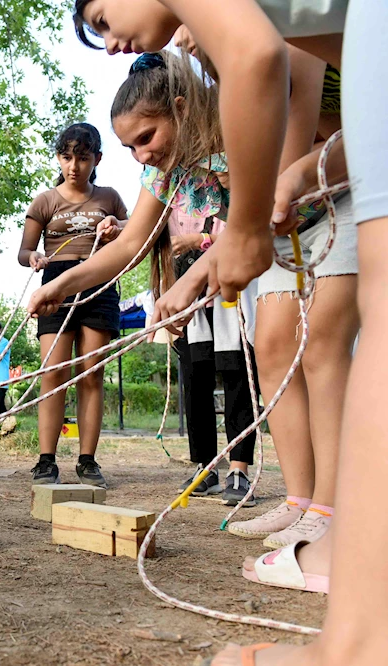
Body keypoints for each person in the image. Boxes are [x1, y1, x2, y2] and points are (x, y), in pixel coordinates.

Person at [68, 3, 380, 663]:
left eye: (99, 13)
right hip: (326, 168)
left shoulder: (226, 43)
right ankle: (323, 534)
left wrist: (253, 215)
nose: (105, 37)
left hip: (331, 184)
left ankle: (340, 578)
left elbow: (265, 63)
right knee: (293, 345)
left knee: (336, 339)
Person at [18, 122, 129, 489]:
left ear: (96, 158)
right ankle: (46, 460)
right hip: (56, 286)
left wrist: (118, 225)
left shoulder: (109, 197)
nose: (74, 166)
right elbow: (24, 251)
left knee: (91, 371)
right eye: (67, 157)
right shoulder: (45, 201)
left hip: (100, 283)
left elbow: (134, 230)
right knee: (52, 372)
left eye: (82, 158)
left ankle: (87, 460)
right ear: (58, 158)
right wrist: (34, 256)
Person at [169, 209, 260, 506]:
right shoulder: (169, 194)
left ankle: (239, 470)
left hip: (231, 290)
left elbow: (250, 236)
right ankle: (205, 467)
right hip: (188, 295)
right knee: (195, 380)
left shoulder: (226, 181)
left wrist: (202, 239)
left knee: (237, 376)